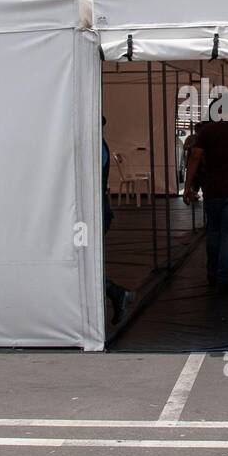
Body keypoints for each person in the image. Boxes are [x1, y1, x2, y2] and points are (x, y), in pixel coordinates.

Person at [182, 102, 228, 295]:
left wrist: (187, 187)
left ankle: (211, 274)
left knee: (213, 232)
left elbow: (194, 158)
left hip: (213, 191)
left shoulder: (207, 131)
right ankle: (223, 280)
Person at [101, 116, 134, 324]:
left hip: (93, 212)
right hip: (95, 210)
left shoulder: (96, 148)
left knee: (80, 263)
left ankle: (115, 292)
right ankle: (115, 292)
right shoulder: (98, 146)